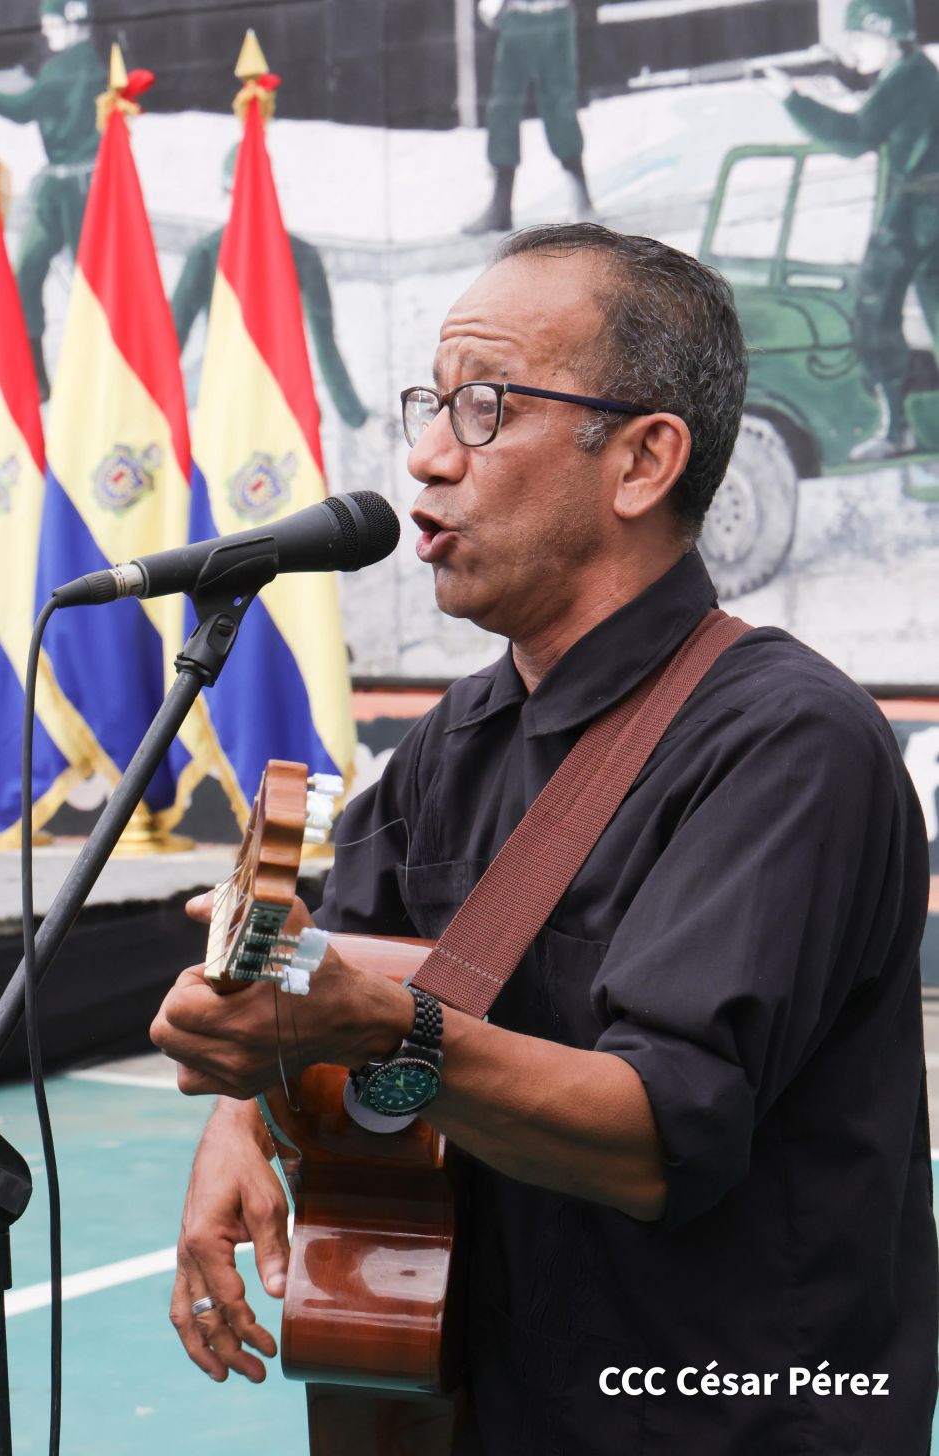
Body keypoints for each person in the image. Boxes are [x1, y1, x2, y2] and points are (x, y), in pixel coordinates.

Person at [151, 223, 937, 1454]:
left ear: (640, 460)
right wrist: (242, 1114)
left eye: (481, 408)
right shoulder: (456, 738)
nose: (423, 457)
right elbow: (328, 961)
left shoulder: (789, 743)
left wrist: (377, 1024)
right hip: (480, 1395)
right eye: (429, 403)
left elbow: (653, 1136)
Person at [763, 0, 939, 462]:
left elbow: (855, 135)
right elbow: (881, 101)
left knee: (874, 313)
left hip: (910, 216)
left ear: (889, 36)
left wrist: (792, 100)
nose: (856, 48)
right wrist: (839, 78)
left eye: (861, 39)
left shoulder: (904, 80)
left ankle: (897, 429)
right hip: (930, 211)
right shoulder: (916, 70)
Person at [171, 145, 369, 432]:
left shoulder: (207, 253)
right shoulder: (301, 255)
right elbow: (325, 343)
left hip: (233, 407)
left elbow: (173, 338)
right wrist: (353, 414)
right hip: (275, 405)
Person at [0, 0, 104, 400]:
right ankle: (68, 374)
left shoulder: (69, 67)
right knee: (79, 277)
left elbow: (26, 108)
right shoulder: (89, 61)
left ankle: (42, 376)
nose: (46, 32)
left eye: (52, 24)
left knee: (40, 272)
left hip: (77, 189)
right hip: (67, 184)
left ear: (74, 21)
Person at [463, 0, 594, 234]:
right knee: (503, 109)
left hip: (556, 14)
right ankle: (500, 207)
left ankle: (582, 199)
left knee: (560, 105)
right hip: (517, 18)